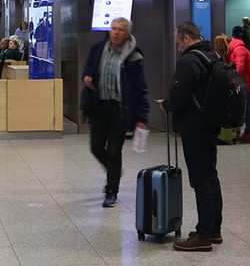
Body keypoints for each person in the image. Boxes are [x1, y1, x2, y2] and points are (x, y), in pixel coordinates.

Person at [159, 22, 223, 252]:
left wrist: (166, 104)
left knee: (201, 180)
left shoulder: (189, 61)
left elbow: (178, 96)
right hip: (210, 123)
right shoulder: (212, 55)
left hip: (195, 127)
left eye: (178, 43)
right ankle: (213, 229)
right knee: (211, 176)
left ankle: (204, 236)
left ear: (187, 38)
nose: (178, 48)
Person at [80, 18, 148, 208]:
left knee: (113, 151)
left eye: (120, 30)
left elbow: (140, 88)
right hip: (99, 106)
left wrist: (142, 117)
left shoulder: (134, 57)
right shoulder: (98, 49)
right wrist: (87, 77)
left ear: (127, 34)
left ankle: (112, 191)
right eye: (113, 28)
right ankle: (114, 170)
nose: (115, 32)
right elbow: (88, 69)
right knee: (96, 147)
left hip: (120, 110)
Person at [222, 31, 250, 144]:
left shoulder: (239, 49)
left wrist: (232, 81)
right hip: (248, 81)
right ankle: (248, 131)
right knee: (248, 107)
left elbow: (240, 68)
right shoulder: (232, 50)